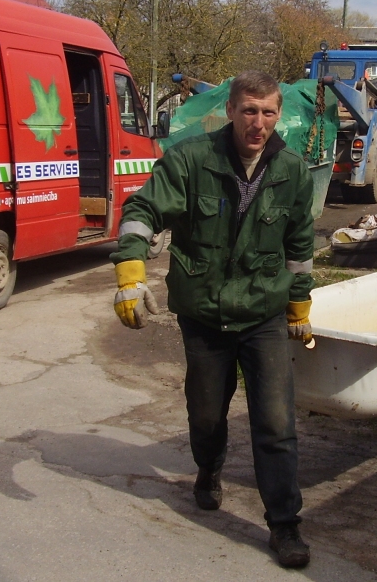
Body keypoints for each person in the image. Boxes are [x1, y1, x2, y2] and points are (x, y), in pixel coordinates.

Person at [109, 70, 315, 568]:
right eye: (249, 110)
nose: (258, 122)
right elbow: (142, 208)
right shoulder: (191, 160)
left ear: (278, 114)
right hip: (203, 311)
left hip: (263, 311)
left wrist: (299, 304)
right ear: (230, 110)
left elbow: (300, 245)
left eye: (268, 112)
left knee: (275, 422)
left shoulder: (293, 171)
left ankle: (284, 525)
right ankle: (209, 468)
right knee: (206, 414)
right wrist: (131, 272)